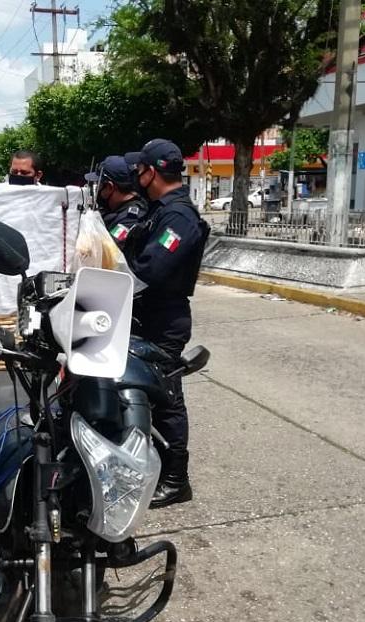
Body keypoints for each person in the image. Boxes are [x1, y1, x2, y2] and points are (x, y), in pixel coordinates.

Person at [122, 139, 211, 509]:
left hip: (164, 318)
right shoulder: (159, 210)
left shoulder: (179, 217)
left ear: (151, 172)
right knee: (144, 395)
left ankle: (177, 480)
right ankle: (151, 467)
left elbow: (152, 269)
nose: (136, 177)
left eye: (139, 171)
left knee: (168, 401)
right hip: (147, 315)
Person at [85, 155, 148, 248]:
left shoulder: (130, 219)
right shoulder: (115, 209)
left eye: (100, 186)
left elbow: (105, 251)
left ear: (110, 187)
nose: (97, 191)